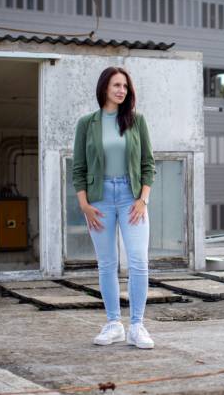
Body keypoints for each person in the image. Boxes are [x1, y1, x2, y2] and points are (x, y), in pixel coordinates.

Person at [72, 67, 156, 349]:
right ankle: (113, 324)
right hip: (100, 199)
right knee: (107, 263)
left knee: (138, 262)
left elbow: (148, 165)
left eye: (125, 86)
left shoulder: (137, 121)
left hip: (132, 198)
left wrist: (143, 199)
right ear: (104, 88)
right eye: (116, 85)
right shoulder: (87, 123)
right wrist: (84, 204)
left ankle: (137, 325)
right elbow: (79, 168)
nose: (122, 90)